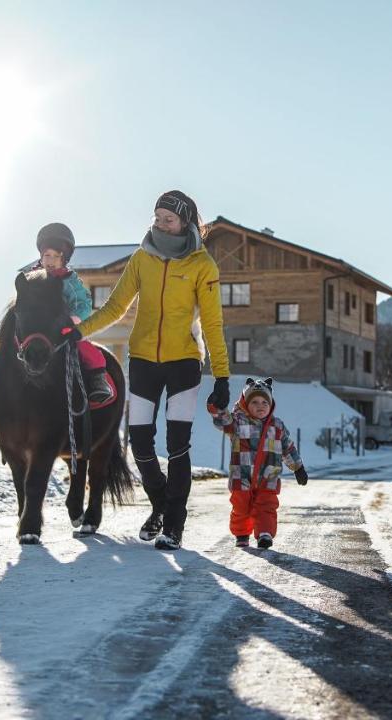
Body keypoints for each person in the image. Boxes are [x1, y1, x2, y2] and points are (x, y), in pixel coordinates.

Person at [73, 190, 231, 551]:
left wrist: (221, 376)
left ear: (185, 222)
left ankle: (174, 523)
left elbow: (212, 323)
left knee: (178, 445)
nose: (160, 223)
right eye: (157, 217)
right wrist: (77, 332)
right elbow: (115, 307)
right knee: (141, 442)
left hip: (184, 363)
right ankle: (160, 503)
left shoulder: (202, 266)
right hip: (143, 359)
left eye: (168, 218)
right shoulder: (142, 258)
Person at [0, 223, 113, 405]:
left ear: (64, 259)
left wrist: (74, 319)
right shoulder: (32, 278)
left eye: (56, 256)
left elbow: (83, 303)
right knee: (0, 343)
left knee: (83, 346)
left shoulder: (69, 281)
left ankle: (98, 378)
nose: (50, 260)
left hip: (60, 325)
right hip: (35, 327)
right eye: (46, 255)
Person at [208, 377, 308, 549]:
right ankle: (241, 534)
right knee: (241, 506)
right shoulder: (237, 422)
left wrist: (298, 467)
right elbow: (222, 420)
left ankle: (265, 534)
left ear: (271, 404)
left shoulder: (277, 426)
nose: (260, 406)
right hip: (242, 474)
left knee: (267, 505)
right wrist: (215, 407)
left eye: (264, 402)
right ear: (246, 403)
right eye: (254, 402)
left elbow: (288, 447)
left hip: (268, 475)